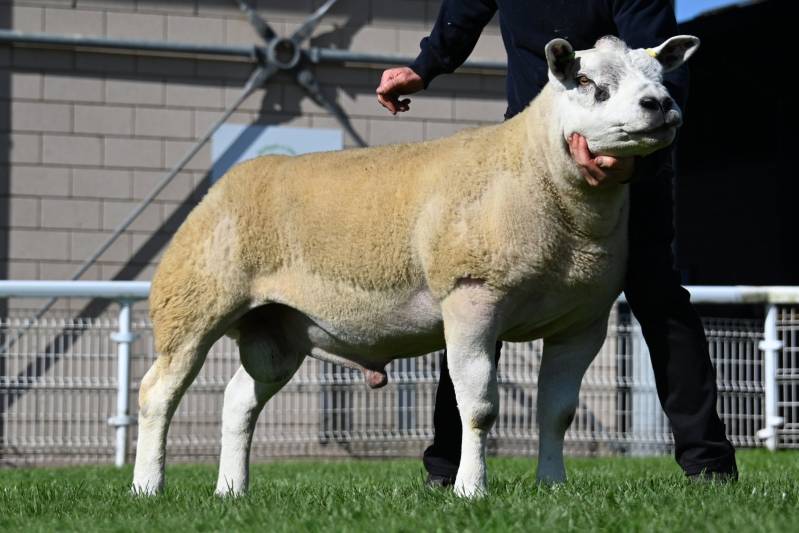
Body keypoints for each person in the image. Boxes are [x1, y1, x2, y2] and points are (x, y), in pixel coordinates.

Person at [375, 0, 737, 485]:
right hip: (529, 156)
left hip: (624, 153)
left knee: (656, 293)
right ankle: (447, 465)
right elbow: (465, 7)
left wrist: (634, 162)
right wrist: (425, 67)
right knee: (480, 295)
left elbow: (656, 75)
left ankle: (708, 464)